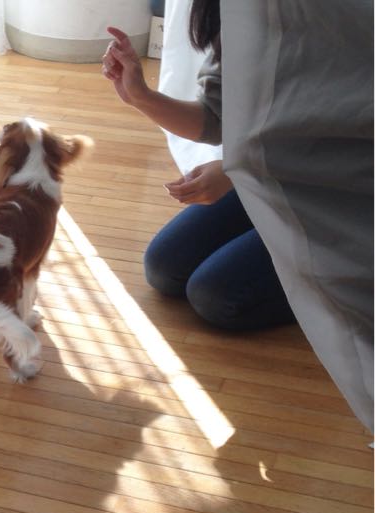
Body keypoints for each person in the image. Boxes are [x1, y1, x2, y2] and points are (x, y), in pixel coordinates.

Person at [102, 3, 294, 331]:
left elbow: (335, 138)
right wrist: (140, 96)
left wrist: (237, 169)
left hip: (343, 196)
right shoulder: (240, 14)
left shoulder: (329, 21)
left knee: (217, 297)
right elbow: (215, 117)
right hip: (275, 177)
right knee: (164, 268)